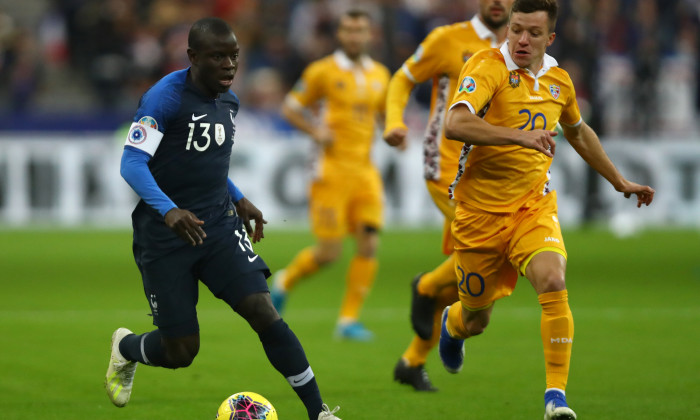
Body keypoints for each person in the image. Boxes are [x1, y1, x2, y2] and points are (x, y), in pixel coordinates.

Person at [104, 17, 341, 420]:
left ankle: (319, 412)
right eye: (218, 57)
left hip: (218, 226)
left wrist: (239, 197)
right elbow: (132, 163)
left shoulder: (229, 101)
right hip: (165, 236)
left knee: (263, 311)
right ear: (193, 57)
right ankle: (126, 349)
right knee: (181, 351)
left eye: (234, 56)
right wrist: (169, 210)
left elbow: (203, 163)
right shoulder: (165, 98)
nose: (230, 65)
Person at [438, 0, 655, 418]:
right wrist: (518, 137)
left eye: (532, 33)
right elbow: (455, 124)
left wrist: (619, 180)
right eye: (516, 29)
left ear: (549, 38)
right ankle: (452, 324)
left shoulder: (559, 80)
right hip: (479, 216)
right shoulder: (486, 67)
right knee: (476, 319)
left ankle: (555, 398)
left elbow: (578, 130)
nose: (521, 39)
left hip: (532, 207)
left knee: (553, 281)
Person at [383, 0, 513, 391]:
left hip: (494, 177)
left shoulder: (521, 47)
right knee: (487, 254)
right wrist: (394, 121)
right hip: (447, 169)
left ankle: (411, 361)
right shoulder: (447, 39)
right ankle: (422, 287)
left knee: (465, 275)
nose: (497, 2)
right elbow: (403, 78)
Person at [269, 9, 390, 341]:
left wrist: (396, 130)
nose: (355, 36)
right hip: (330, 171)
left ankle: (348, 320)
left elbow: (385, 116)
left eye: (360, 30)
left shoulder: (380, 74)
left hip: (365, 171)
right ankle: (284, 281)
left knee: (369, 243)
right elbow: (291, 107)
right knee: (329, 252)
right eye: (349, 30)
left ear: (370, 35)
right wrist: (315, 130)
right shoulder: (322, 71)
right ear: (340, 35)